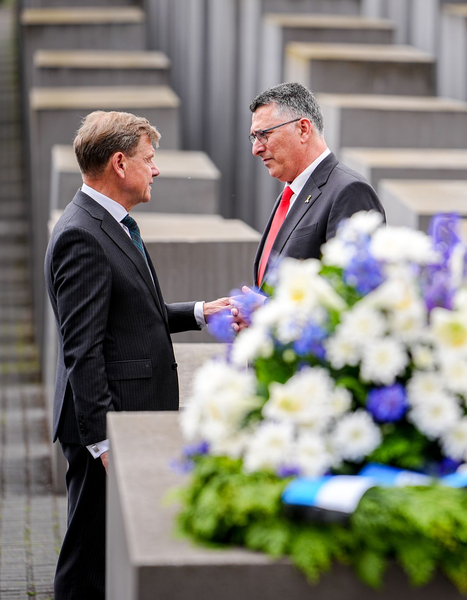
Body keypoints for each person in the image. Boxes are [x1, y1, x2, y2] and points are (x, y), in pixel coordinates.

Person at [45, 111, 231, 600]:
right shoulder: (82, 235)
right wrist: (106, 443)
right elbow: (81, 351)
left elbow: (131, 316)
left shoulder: (111, 223)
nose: (158, 169)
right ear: (120, 163)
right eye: (150, 159)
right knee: (87, 561)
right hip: (108, 427)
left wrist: (198, 312)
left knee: (103, 554)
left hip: (123, 420)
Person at [248, 82, 385, 289]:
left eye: (263, 134)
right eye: (254, 137)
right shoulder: (292, 193)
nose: (256, 149)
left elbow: (352, 291)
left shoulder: (349, 191)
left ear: (303, 129)